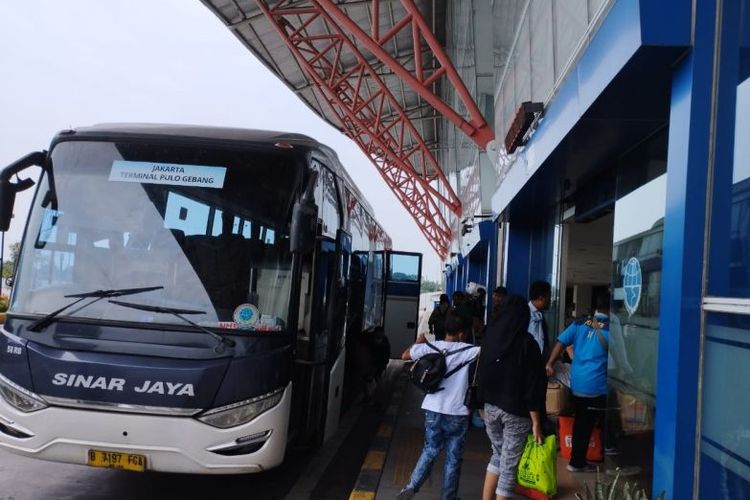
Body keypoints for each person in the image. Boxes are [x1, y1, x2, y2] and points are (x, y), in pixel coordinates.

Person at [397, 314, 480, 500]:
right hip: (457, 411)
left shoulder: (430, 347)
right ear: (461, 333)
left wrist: (419, 341)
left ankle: (411, 487)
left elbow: (404, 356)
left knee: (430, 449)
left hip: (433, 408)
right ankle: (448, 497)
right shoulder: (470, 350)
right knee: (453, 458)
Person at [479, 294, 546, 500]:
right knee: (509, 467)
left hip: (490, 408)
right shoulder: (528, 344)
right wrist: (536, 422)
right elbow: (533, 385)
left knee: (498, 456)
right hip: (516, 412)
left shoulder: (489, 336)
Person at [545, 295, 610, 472]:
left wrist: (550, 363)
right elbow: (621, 360)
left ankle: (577, 459)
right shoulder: (612, 328)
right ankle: (587, 458)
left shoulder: (580, 323)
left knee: (582, 420)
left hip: (578, 383)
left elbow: (561, 342)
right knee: (605, 420)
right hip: (597, 385)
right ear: (611, 310)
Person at [528, 281, 551, 355]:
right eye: (549, 298)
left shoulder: (540, 315)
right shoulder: (524, 314)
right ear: (541, 298)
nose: (550, 301)